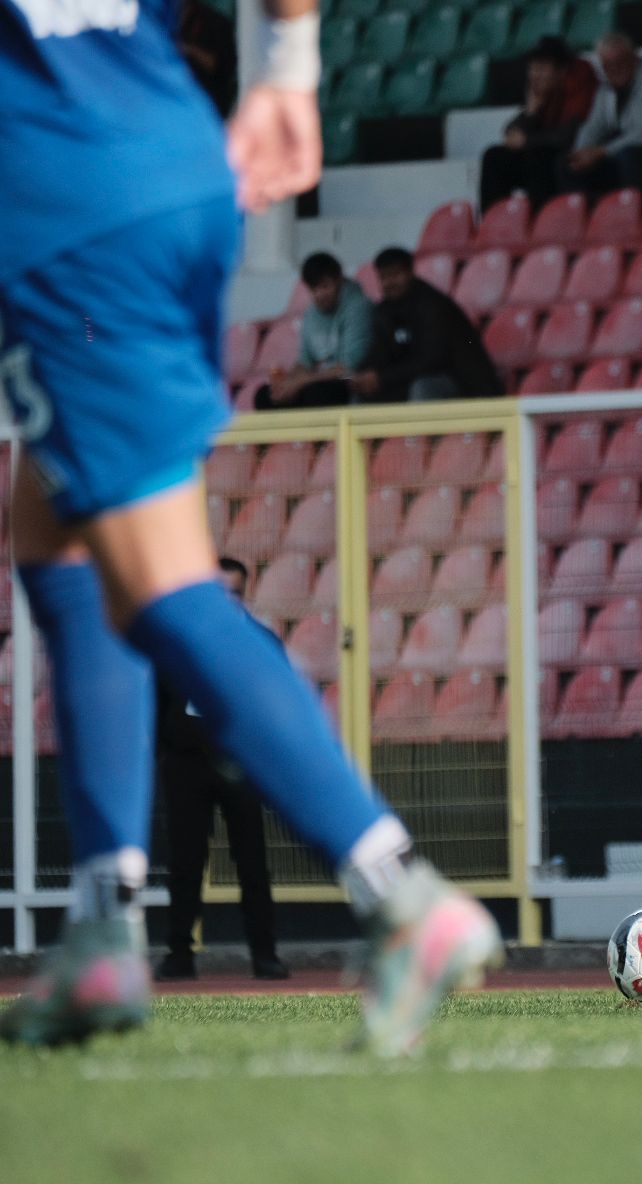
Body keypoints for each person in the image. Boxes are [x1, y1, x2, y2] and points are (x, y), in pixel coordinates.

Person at [0, 0, 501, 1052]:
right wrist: (286, 64)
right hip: (168, 168)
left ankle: (400, 890)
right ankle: (102, 924)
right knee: (55, 534)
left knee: (158, 580)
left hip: (61, 203)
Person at [155, 558, 288, 983]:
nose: (226, 600)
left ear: (245, 593)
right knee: (184, 862)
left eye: (234, 592)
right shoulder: (177, 641)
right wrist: (168, 749)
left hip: (241, 762)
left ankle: (265, 956)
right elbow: (156, 700)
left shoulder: (262, 641)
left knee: (252, 861)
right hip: (186, 765)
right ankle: (179, 955)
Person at [353, 247, 503, 403]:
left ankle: (419, 429)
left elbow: (432, 360)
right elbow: (379, 352)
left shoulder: (433, 305)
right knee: (362, 394)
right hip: (407, 379)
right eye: (384, 277)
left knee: (423, 388)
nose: (389, 282)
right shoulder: (383, 310)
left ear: (410, 272)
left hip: (460, 382)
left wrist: (383, 377)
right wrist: (363, 375)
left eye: (395, 275)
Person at [560, 32, 642, 201]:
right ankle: (586, 219)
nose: (614, 68)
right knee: (567, 164)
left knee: (630, 158)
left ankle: (638, 216)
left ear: (634, 58)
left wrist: (600, 152)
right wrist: (581, 152)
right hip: (629, 155)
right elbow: (594, 125)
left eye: (620, 62)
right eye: (608, 65)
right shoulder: (606, 86)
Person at [478, 36, 596, 212]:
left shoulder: (580, 90)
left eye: (541, 68)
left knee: (539, 156)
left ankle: (540, 220)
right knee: (494, 156)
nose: (535, 75)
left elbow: (568, 137)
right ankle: (494, 220)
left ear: (562, 71)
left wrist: (527, 141)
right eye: (532, 69)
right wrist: (531, 113)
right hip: (541, 157)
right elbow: (511, 131)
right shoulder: (542, 96)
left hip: (572, 160)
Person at [254, 251, 372, 410]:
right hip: (319, 381)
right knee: (265, 396)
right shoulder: (311, 314)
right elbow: (305, 361)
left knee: (317, 392)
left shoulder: (359, 307)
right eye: (314, 288)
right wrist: (288, 383)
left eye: (325, 286)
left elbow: (348, 367)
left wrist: (301, 382)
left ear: (339, 280)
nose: (320, 294)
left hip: (353, 380)